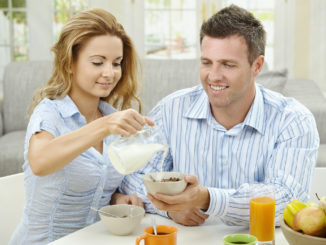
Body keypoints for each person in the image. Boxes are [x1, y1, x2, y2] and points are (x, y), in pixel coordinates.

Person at [120, 5, 319, 227]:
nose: (213, 76)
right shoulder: (171, 110)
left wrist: (207, 198)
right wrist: (171, 209)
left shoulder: (293, 120)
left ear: (257, 66)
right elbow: (133, 179)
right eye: (207, 62)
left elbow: (288, 201)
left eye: (228, 65)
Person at [9, 8, 153, 244]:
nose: (109, 73)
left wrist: (116, 199)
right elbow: (40, 162)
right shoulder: (50, 112)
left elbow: (98, 185)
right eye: (98, 62)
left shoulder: (111, 117)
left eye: (116, 63)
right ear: (69, 64)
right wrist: (105, 126)